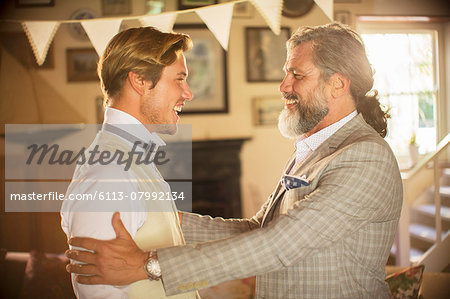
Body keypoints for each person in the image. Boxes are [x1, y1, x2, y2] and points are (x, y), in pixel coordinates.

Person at [65, 23, 403, 298]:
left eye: (297, 75)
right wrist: (169, 219)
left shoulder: (364, 157)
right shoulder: (313, 149)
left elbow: (280, 242)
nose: (283, 85)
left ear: (338, 84)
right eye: (287, 73)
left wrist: (149, 265)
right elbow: (260, 228)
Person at [60, 26, 200, 299]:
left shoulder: (134, 158)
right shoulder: (109, 171)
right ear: (139, 81)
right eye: (179, 80)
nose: (188, 93)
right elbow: (99, 293)